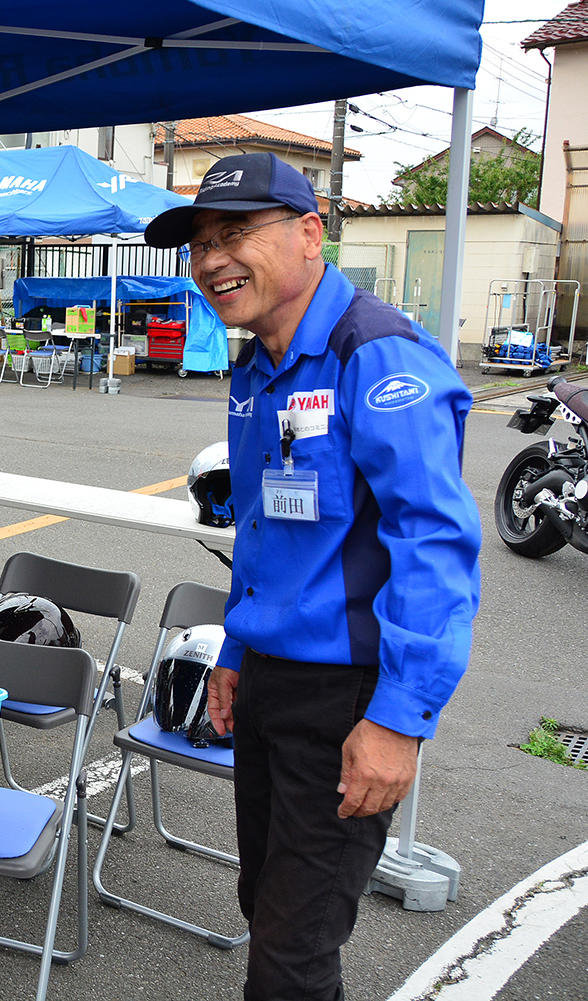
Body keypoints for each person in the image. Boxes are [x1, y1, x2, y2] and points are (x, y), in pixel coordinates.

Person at [145, 153, 482, 1000]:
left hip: (345, 704)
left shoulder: (375, 354)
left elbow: (435, 545)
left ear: (308, 233)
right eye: (200, 244)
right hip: (267, 683)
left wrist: (399, 721)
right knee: (266, 903)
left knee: (292, 954)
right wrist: (236, 647)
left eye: (235, 234)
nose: (213, 259)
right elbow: (265, 531)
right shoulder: (257, 363)